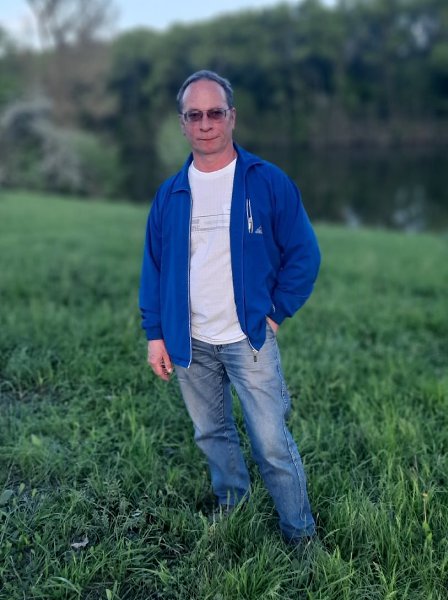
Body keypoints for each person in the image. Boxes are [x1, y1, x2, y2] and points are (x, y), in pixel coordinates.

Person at [139, 70, 320, 544]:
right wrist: (156, 334)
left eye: (215, 113)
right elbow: (154, 269)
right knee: (211, 435)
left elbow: (305, 255)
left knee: (272, 444)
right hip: (190, 341)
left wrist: (276, 312)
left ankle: (300, 535)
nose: (206, 124)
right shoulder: (171, 194)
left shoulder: (267, 182)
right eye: (194, 115)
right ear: (183, 123)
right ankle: (233, 508)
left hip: (249, 338)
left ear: (232, 117)